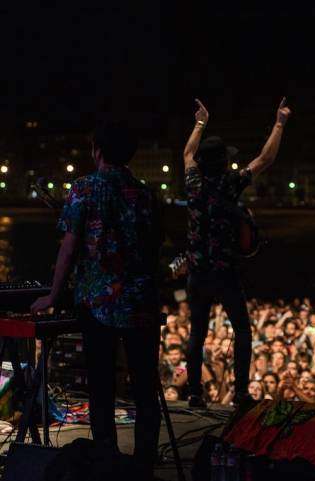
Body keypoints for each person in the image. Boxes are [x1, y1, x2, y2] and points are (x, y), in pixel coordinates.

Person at [31, 120, 163, 480]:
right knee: (145, 391)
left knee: (102, 390)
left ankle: (106, 464)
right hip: (142, 305)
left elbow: (69, 248)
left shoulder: (84, 189)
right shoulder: (148, 194)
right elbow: (154, 252)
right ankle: (143, 467)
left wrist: (53, 295)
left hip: (99, 307)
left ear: (97, 151)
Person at [183, 98, 291, 407]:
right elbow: (265, 158)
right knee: (242, 330)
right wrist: (280, 123)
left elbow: (188, 152)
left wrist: (201, 121)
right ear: (224, 162)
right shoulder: (230, 184)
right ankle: (241, 393)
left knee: (197, 335)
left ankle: (194, 395)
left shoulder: (193, 183)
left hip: (197, 273)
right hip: (224, 272)